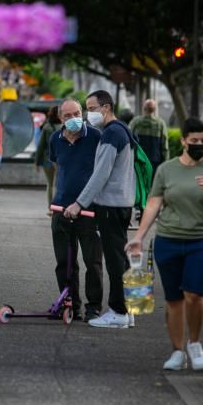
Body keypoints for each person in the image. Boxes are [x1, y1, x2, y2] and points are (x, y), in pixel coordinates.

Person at [126, 118, 203, 371]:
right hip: (169, 239)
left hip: (202, 239)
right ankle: (177, 350)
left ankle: (194, 344)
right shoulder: (167, 169)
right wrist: (139, 236)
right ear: (183, 140)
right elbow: (154, 203)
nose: (199, 145)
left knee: (194, 294)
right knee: (174, 299)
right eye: (194, 141)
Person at [64, 90, 136, 329]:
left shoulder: (111, 134)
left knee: (115, 261)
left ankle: (118, 312)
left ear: (106, 107)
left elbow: (100, 175)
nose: (88, 114)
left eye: (92, 109)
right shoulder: (123, 130)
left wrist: (79, 203)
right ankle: (129, 310)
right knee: (121, 258)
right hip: (123, 202)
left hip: (110, 206)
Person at [49, 99, 104, 322]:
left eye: (77, 113)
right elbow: (57, 169)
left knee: (93, 262)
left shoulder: (96, 137)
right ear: (60, 118)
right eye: (68, 115)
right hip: (61, 208)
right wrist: (54, 200)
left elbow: (104, 172)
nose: (73, 119)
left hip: (90, 210)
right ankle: (70, 303)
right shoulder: (55, 138)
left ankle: (93, 307)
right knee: (64, 261)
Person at [129, 99, 168, 180]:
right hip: (155, 160)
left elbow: (129, 139)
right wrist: (166, 161)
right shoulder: (160, 123)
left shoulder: (135, 122)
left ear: (144, 108)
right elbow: (165, 146)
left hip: (138, 159)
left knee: (139, 183)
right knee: (152, 184)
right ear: (155, 109)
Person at [36, 105, 62, 215]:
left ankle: (51, 208)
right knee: (58, 184)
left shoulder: (47, 127)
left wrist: (37, 162)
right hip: (62, 160)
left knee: (50, 184)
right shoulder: (65, 126)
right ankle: (57, 207)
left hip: (48, 160)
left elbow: (41, 146)